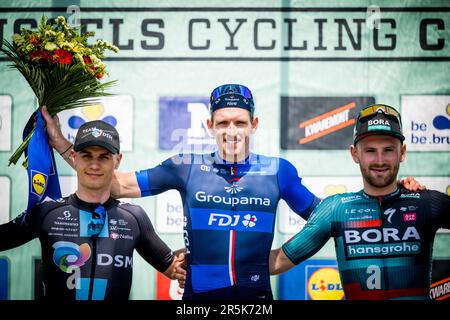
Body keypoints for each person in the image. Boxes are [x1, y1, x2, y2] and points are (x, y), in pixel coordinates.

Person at [42, 86, 423, 300]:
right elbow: (114, 180)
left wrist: (396, 192)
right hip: (198, 303)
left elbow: (330, 218)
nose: (232, 130)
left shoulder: (279, 171)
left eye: (240, 122)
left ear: (254, 123)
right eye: (223, 122)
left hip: (256, 302)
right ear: (210, 125)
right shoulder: (185, 166)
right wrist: (64, 145)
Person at [269, 104, 450, 300]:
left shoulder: (427, 202)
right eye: (370, 151)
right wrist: (231, 258)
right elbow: (279, 261)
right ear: (355, 154)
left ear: (402, 152)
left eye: (388, 150)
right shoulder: (336, 208)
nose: (380, 160)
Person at [0, 120, 183, 300]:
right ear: (73, 156)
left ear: (117, 160)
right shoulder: (46, 213)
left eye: (104, 157)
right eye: (86, 155)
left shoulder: (134, 218)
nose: (94, 165)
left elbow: (175, 268)